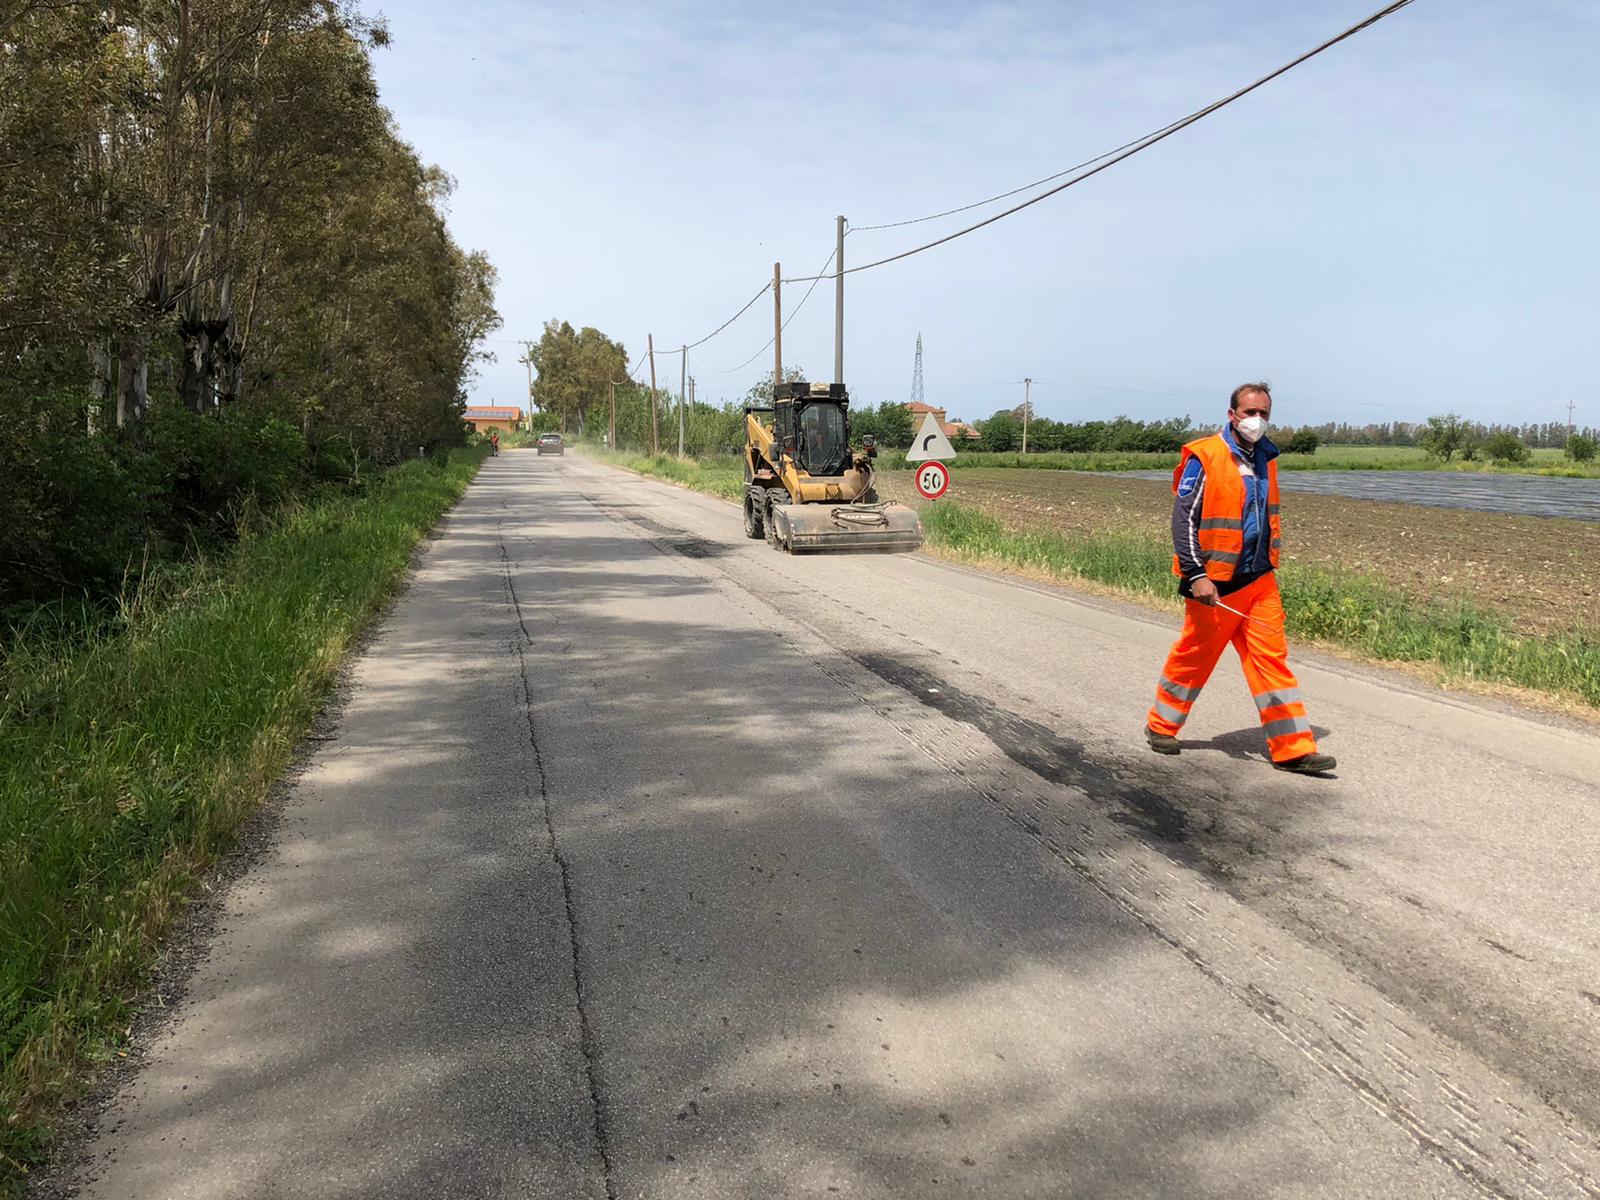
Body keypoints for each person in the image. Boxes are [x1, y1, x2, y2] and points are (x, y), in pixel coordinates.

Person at [1144, 382, 1336, 775]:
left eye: (1264, 413)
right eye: (1249, 412)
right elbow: (1184, 520)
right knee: (1194, 658)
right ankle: (1160, 725)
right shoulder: (1205, 455)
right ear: (1231, 414)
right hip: (1215, 583)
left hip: (1260, 580)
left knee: (1272, 662)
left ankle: (1293, 748)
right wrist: (1196, 573)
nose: (1257, 420)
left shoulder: (1267, 458)